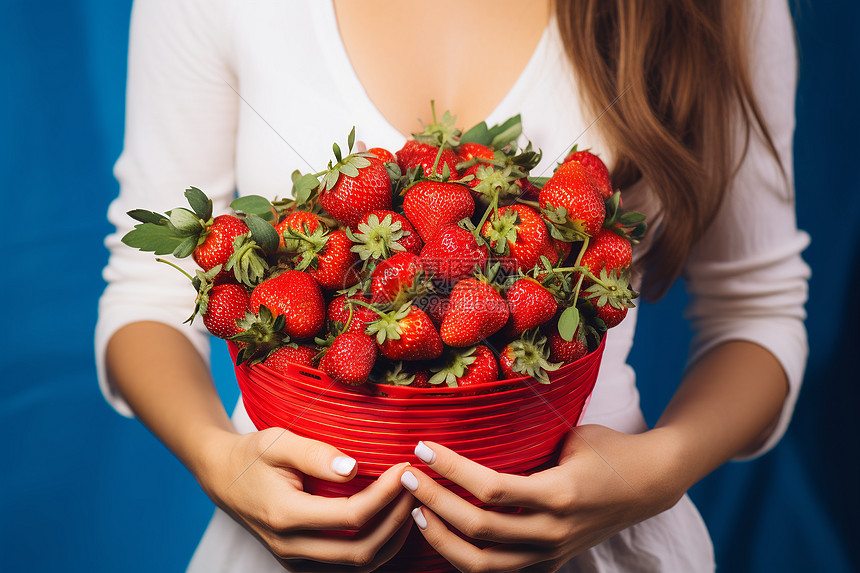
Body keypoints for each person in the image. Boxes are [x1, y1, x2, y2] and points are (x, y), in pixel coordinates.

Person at [96, 0, 809, 571]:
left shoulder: (713, 8)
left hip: (595, 550)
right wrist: (218, 459)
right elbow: (148, 295)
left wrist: (658, 471)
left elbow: (758, 309)